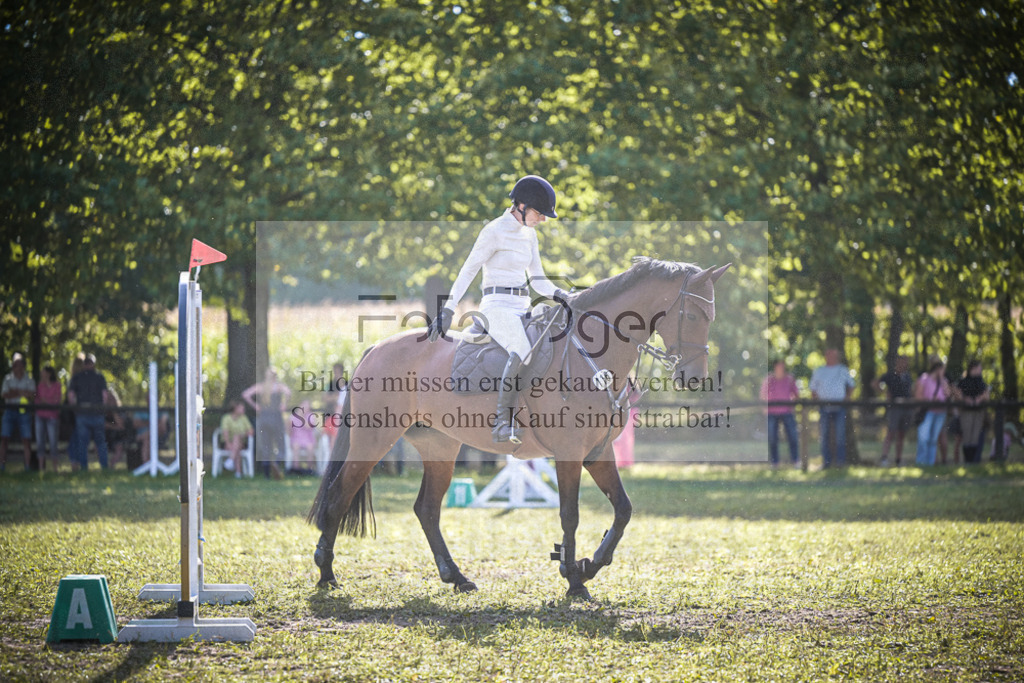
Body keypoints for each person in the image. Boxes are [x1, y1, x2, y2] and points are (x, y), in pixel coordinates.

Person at [427, 174, 570, 445]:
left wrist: (563, 295)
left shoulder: (529, 236)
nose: (542, 220)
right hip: (496, 307)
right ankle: (501, 422)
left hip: (523, 305)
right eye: (540, 213)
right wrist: (448, 309)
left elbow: (538, 278)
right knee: (522, 348)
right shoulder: (493, 231)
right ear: (522, 206)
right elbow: (468, 270)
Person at [809, 348, 856, 468]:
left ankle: (840, 462)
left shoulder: (842, 370)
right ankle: (827, 461)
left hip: (839, 406)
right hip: (824, 407)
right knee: (824, 435)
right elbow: (813, 389)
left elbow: (851, 385)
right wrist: (818, 400)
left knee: (840, 435)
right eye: (829, 355)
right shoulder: (819, 371)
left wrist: (847, 397)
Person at [242, 367, 291, 479]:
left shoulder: (260, 387)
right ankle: (277, 464)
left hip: (263, 418)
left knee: (266, 445)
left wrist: (255, 405)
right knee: (280, 444)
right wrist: (284, 404)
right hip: (276, 418)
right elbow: (288, 392)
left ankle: (266, 474)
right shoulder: (278, 387)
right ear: (275, 377)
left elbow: (245, 394)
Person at [67, 353, 111, 470]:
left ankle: (84, 468)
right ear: (94, 364)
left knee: (83, 444)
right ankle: (104, 468)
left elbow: (71, 396)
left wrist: (76, 409)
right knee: (100, 443)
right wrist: (103, 409)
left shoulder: (77, 378)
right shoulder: (99, 377)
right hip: (97, 414)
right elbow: (105, 396)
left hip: (82, 414)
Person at [872, 355, 914, 467]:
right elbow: (875, 383)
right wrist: (884, 392)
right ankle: (884, 457)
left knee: (901, 434)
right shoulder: (890, 375)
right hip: (894, 408)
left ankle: (898, 459)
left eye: (905, 362)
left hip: (907, 408)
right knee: (891, 432)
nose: (903, 365)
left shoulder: (908, 377)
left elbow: (911, 391)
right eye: (901, 362)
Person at [760, 359, 801, 469]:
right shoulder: (768, 380)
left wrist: (794, 405)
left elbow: (796, 395)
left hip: (787, 412)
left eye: (782, 367)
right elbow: (763, 395)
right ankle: (775, 462)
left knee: (793, 436)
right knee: (772, 437)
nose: (780, 369)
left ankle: (796, 460)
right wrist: (764, 407)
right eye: (778, 367)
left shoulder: (789, 379)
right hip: (772, 412)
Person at [1, 353, 36, 472]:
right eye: (16, 365)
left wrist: (14, 392)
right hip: (9, 411)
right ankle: (2, 466)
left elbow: (33, 395)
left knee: (26, 440)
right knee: (4, 439)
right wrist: (21, 392)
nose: (18, 367)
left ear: (24, 366)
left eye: (20, 365)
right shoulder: (7, 379)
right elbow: (5, 394)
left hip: (24, 412)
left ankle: (27, 467)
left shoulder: (29, 380)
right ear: (13, 366)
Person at [914, 354, 950, 466]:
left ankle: (930, 463)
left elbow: (948, 394)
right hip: (927, 412)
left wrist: (942, 381)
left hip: (940, 413)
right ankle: (921, 462)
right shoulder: (925, 378)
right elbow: (918, 396)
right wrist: (931, 400)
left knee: (933, 439)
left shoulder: (944, 381)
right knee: (924, 438)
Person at [952, 360, 990, 464]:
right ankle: (968, 460)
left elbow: (986, 395)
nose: (980, 370)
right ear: (973, 368)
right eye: (979, 368)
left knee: (975, 436)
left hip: (978, 412)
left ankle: (973, 461)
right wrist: (965, 399)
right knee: (967, 436)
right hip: (966, 412)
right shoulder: (963, 381)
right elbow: (957, 393)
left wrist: (979, 399)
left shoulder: (981, 382)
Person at [34, 365, 62, 472]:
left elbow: (57, 400)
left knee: (53, 442)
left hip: (52, 417)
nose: (42, 374)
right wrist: (47, 401)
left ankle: (55, 468)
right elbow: (37, 400)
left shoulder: (57, 385)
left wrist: (46, 401)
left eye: (43, 372)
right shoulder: (40, 386)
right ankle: (41, 468)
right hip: (40, 416)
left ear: (49, 373)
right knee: (40, 442)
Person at [219, 399, 254, 477]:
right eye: (241, 408)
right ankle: (238, 472)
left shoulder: (244, 418)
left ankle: (231, 460)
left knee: (237, 438)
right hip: (227, 443)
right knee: (237, 447)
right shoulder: (226, 418)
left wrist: (243, 434)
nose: (243, 410)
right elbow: (225, 432)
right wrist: (228, 444)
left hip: (241, 443)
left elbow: (251, 431)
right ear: (235, 408)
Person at [289, 399, 319, 474]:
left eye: (307, 406)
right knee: (296, 447)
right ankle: (296, 469)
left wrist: (301, 417)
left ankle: (309, 469)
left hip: (308, 439)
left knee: (310, 447)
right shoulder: (293, 416)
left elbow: (309, 427)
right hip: (296, 438)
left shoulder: (311, 416)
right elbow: (289, 430)